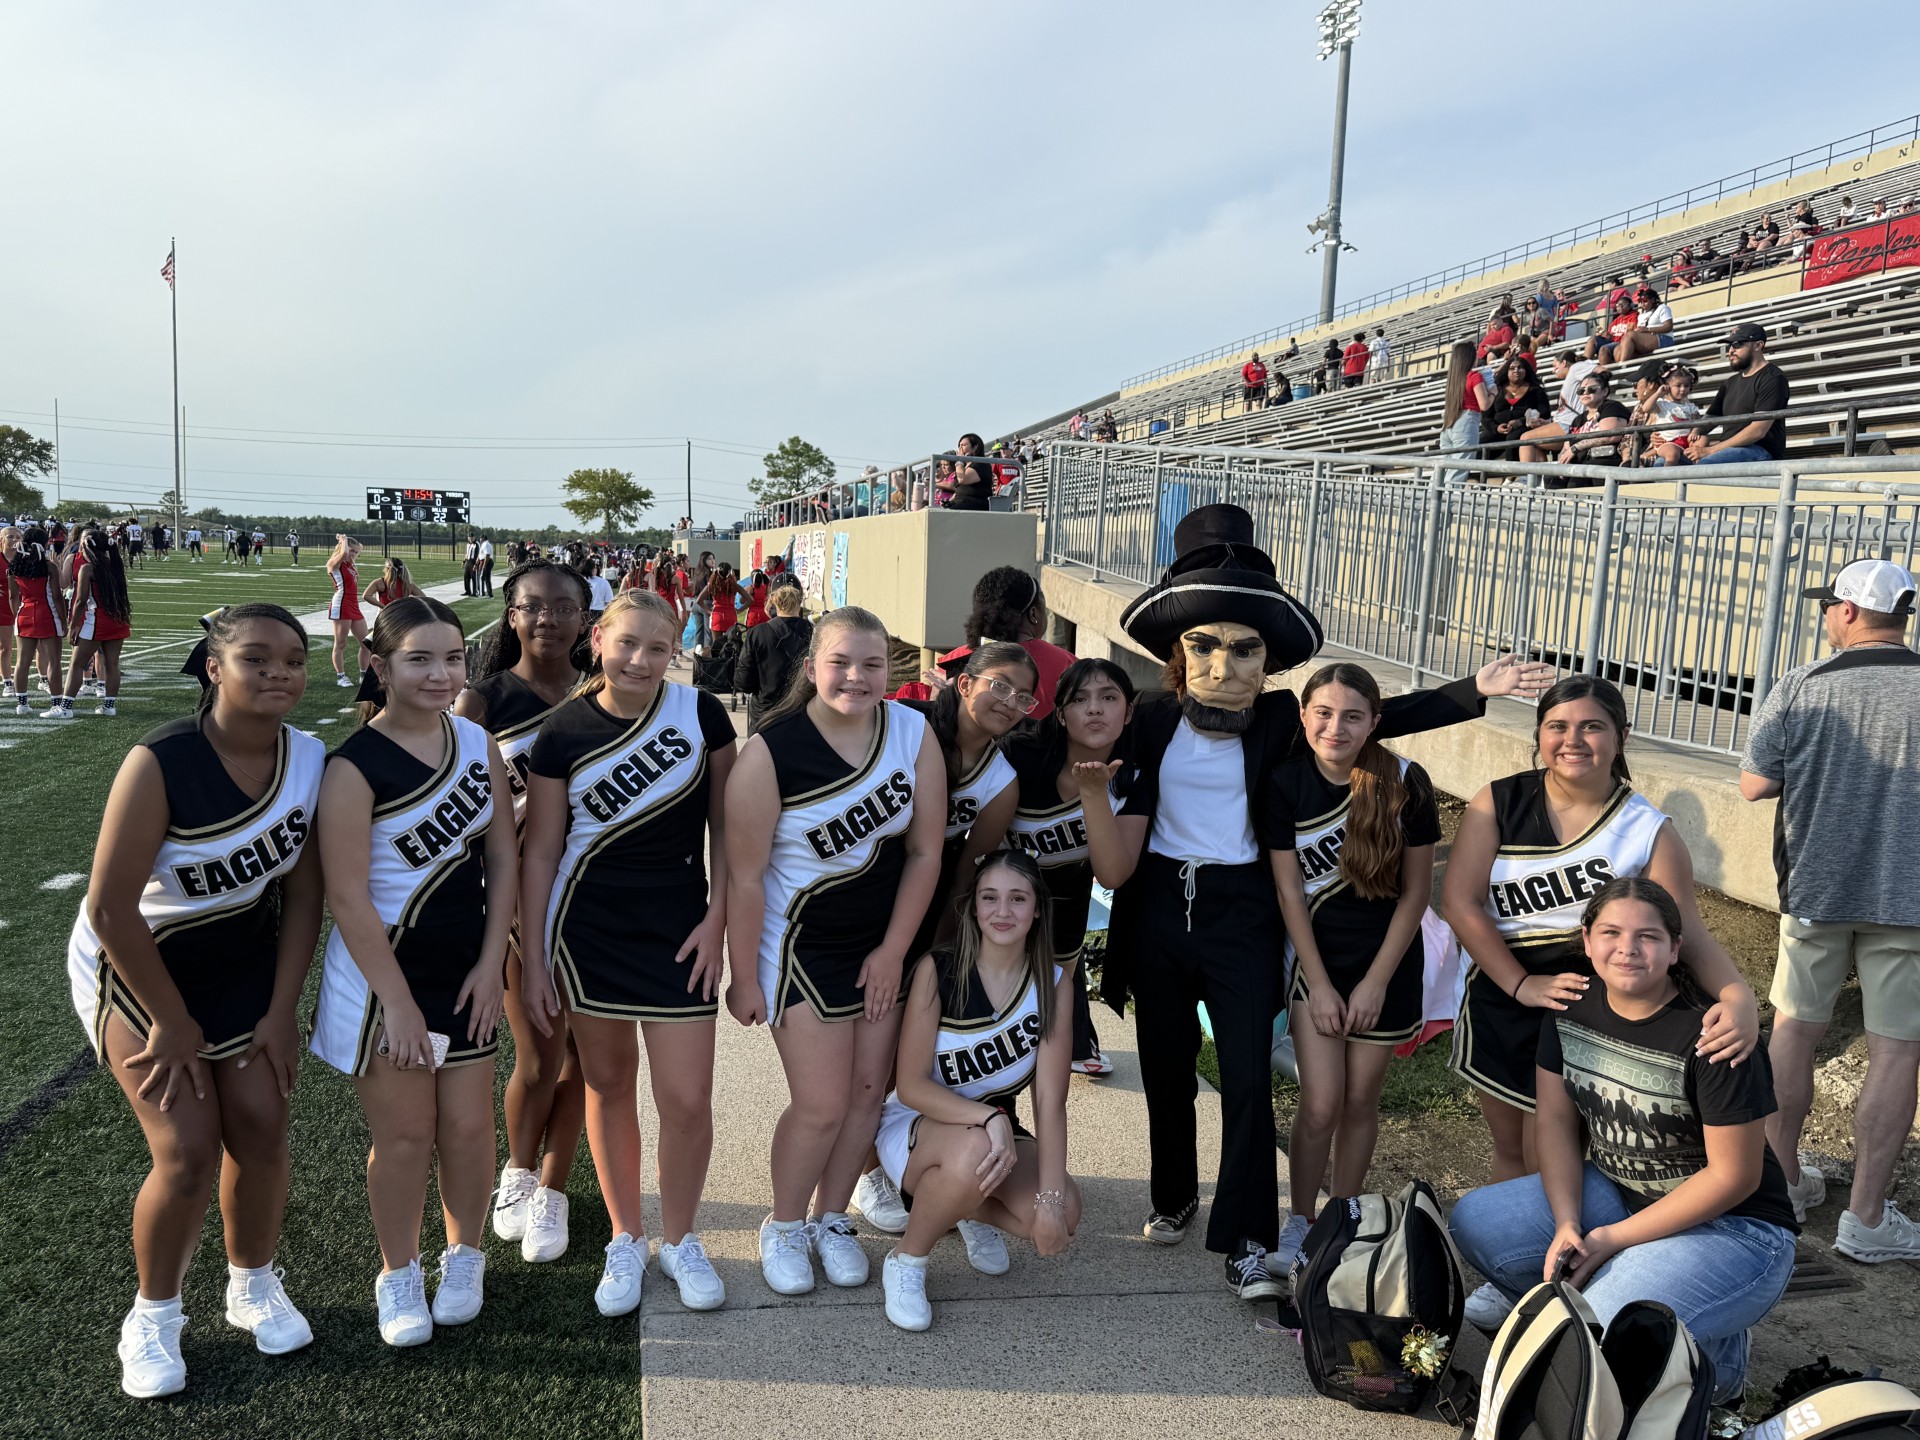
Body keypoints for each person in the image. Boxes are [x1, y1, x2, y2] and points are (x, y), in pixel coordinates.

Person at [1093, 504, 1550, 1299]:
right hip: (1161, 902)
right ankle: (1173, 1195)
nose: (1224, 664)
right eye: (1203, 645)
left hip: (1245, 906)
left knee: (1241, 1072)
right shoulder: (1151, 718)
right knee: (1166, 1068)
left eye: (1245, 649)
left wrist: (1476, 688)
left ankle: (1243, 1237)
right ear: (1176, 651)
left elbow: (1378, 717)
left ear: (1267, 661)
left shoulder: (1280, 717)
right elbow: (1076, 743)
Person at [1440, 675, 1761, 1330]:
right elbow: (1461, 901)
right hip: (1509, 999)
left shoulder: (1647, 829)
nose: (1573, 740)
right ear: (1539, 736)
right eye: (1558, 726)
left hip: (1597, 1012)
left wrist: (1738, 995)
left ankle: (1588, 1265)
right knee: (1513, 1150)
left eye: (1592, 726)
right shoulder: (1496, 802)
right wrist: (1519, 983)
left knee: (1571, 1149)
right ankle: (1519, 1275)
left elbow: (1686, 934)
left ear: (1620, 738)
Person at [67, 603, 325, 1398]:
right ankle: (152, 1315)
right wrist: (171, 1020)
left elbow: (306, 894)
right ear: (214, 667)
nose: (277, 671)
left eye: (292, 657)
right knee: (184, 1149)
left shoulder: (309, 757)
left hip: (244, 960)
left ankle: (251, 1282)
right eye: (256, 658)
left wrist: (283, 1009)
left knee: (261, 1124)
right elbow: (112, 909)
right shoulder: (162, 759)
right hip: (141, 965)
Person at [1449, 878, 1797, 1403]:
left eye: (1648, 937)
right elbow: (1556, 1124)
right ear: (1586, 940)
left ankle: (1718, 1363)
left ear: (1675, 948)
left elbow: (1735, 1177)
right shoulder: (1571, 1006)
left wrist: (1613, 1239)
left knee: (1603, 1322)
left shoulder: (1715, 1034)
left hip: (1737, 1229)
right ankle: (1637, 1300)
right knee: (1477, 1221)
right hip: (1621, 1194)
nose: (1628, 949)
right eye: (1610, 932)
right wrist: (1568, 1220)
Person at [517, 591, 739, 1314]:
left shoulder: (702, 715)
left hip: (681, 932)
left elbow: (730, 834)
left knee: (687, 1099)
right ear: (599, 638)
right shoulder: (562, 732)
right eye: (628, 643)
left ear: (676, 649)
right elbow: (543, 850)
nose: (641, 660)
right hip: (590, 932)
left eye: (658, 647)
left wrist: (719, 922)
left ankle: (680, 1239)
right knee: (608, 1086)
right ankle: (625, 1236)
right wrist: (541, 952)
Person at [311, 596, 517, 1347]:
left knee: (467, 1128)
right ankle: (398, 1271)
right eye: (419, 659)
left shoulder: (474, 741)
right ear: (379, 664)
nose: (440, 674)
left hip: (466, 968)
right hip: (384, 979)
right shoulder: (353, 766)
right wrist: (394, 1002)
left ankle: (465, 1257)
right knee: (404, 1137)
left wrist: (494, 963)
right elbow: (347, 896)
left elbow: (502, 855)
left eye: (454, 658)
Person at [724, 605, 945, 1298]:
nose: (856, 676)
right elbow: (744, 876)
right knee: (820, 1103)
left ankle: (830, 1220)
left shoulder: (912, 731)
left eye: (873, 664)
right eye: (841, 662)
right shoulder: (772, 750)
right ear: (812, 667)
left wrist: (892, 951)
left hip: (882, 944)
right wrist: (742, 975)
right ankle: (783, 1223)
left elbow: (926, 850)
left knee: (864, 1097)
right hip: (800, 948)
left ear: (891, 670)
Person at [1739, 559, 1920, 1262]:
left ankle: (1783, 1183)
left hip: (1815, 890)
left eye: (1829, 605)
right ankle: (1868, 1218)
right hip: (1907, 899)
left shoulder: (1803, 686)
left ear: (1847, 610)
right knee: (1896, 1047)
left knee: (1794, 1030)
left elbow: (1755, 785)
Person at [851, 643, 1032, 1239]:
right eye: (997, 685)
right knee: (849, 1051)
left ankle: (891, 1165)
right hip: (854, 895)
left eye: (1022, 695)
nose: (1007, 701)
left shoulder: (1001, 782)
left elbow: (965, 877)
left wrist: (944, 956)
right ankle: (862, 1170)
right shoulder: (907, 725)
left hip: (920, 912)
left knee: (892, 1051)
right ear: (964, 681)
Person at [1268, 664, 1441, 1270]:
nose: (1335, 727)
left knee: (1360, 1101)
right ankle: (1298, 1220)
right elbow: (1291, 893)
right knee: (1320, 1102)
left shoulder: (1406, 784)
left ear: (1374, 722)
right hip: (1317, 964)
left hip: (1387, 965)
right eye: (1323, 712)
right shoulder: (1285, 782)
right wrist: (1319, 985)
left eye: (1352, 715)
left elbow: (1417, 894)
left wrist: (1375, 981)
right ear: (1303, 715)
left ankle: (1340, 1218)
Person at [451, 560, 592, 1267]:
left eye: (563, 606)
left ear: (584, 616)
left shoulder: (605, 691)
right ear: (510, 616)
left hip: (597, 898)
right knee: (538, 1056)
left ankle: (553, 1190)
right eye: (532, 607)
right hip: (514, 904)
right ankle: (517, 1169)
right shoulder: (482, 701)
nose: (548, 618)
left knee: (587, 1057)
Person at [873, 851, 1080, 1330]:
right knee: (972, 1150)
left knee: (1064, 1212)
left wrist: (1049, 1201)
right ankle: (907, 1259)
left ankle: (959, 1205)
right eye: (989, 898)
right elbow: (911, 1084)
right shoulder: (938, 969)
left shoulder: (1052, 984)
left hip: (995, 1130)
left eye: (1017, 898)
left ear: (1037, 910)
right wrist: (989, 1119)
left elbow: (1050, 1101)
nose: (1002, 911)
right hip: (920, 1122)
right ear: (973, 907)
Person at [1010, 658, 1138, 1079]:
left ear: (1129, 711)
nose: (1095, 708)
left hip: (1063, 929)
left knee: (1051, 1064)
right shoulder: (1020, 756)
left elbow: (1113, 874)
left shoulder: (1135, 779)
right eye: (1080, 699)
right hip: (994, 918)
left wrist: (1094, 794)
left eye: (1108, 697)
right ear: (1061, 715)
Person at [52, 526, 132, 719]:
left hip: (97, 620)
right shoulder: (116, 565)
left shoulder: (88, 568)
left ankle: (65, 708)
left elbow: (80, 601)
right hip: (118, 619)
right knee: (112, 664)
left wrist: (73, 626)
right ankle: (109, 706)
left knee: (77, 664)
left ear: (87, 545)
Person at [1692, 323, 1790, 465]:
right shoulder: (1729, 383)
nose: (1730, 351)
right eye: (1729, 346)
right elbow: (1711, 418)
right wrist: (1691, 435)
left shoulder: (1773, 378)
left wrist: (1711, 450)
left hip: (1760, 451)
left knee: (1706, 463)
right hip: (1728, 449)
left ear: (1758, 346)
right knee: (1664, 463)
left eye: (1737, 344)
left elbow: (1758, 431)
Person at [733, 582, 812, 733]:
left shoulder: (757, 633)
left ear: (774, 603)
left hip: (765, 714)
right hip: (803, 712)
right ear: (799, 603)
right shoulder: (814, 632)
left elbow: (743, 682)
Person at [8, 524, 65, 712]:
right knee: (54, 660)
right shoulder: (49, 566)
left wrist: (18, 614)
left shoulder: (15, 566)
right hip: (47, 614)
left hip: (24, 613)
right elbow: (56, 596)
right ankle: (56, 703)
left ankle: (22, 704)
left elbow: (13, 597)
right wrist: (64, 621)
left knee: (22, 662)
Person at [1554, 370, 1631, 477]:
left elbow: (1610, 436)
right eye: (1581, 390)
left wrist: (1575, 448)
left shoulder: (1611, 407)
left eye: (1592, 389)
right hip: (1582, 463)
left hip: (1605, 460)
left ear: (1604, 391)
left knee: (1579, 480)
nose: (1585, 393)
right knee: (1552, 476)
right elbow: (1566, 446)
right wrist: (1561, 464)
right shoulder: (1578, 419)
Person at [1482, 354, 1554, 465]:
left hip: (1524, 428)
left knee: (1513, 438)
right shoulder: (1497, 390)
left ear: (1526, 371)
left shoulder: (1536, 390)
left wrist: (1521, 421)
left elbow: (1544, 413)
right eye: (1512, 368)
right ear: (1506, 371)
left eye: (1520, 367)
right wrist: (1496, 428)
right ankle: (1476, 476)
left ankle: (1514, 475)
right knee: (1481, 443)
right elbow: (1486, 416)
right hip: (1499, 429)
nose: (1516, 370)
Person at [1437, 341, 1492, 485]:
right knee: (1458, 471)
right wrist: (1492, 393)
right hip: (1466, 421)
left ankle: (1431, 501)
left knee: (1443, 470)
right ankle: (1447, 504)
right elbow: (1484, 404)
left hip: (1450, 422)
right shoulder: (1474, 376)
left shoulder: (1453, 378)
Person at [326, 535, 370, 689]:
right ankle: (341, 676)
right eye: (352, 551)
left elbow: (358, 549)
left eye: (355, 552)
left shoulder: (351, 564)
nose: (353, 554)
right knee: (341, 644)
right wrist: (343, 540)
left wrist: (352, 546)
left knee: (366, 644)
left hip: (354, 605)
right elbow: (344, 554)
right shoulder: (334, 563)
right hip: (342, 604)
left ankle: (364, 675)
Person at [1641, 361, 1704, 467]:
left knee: (1703, 440)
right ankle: (1667, 477)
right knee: (1672, 454)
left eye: (1686, 385)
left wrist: (1695, 432)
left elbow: (1697, 422)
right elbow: (1645, 408)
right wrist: (1657, 393)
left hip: (1687, 441)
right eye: (1678, 386)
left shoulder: (1690, 406)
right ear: (1667, 386)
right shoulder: (1662, 403)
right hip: (1667, 442)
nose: (1683, 389)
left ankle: (1697, 468)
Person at [1612, 285, 1675, 366]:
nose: (1642, 303)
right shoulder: (1641, 315)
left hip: (1663, 338)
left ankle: (1622, 366)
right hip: (1646, 340)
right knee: (1618, 348)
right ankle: (1620, 369)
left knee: (1629, 335)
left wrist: (1648, 329)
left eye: (1645, 300)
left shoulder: (1662, 308)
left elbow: (1668, 327)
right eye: (1640, 301)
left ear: (1652, 300)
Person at [1583, 294, 1639, 364]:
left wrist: (1613, 337)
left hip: (1621, 343)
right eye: (1618, 305)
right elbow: (1610, 334)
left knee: (1603, 349)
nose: (1619, 306)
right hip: (1612, 341)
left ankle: (1604, 373)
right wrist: (1605, 334)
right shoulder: (1616, 320)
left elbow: (1631, 334)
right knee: (1593, 339)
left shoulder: (1634, 317)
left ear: (1630, 306)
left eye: (1622, 304)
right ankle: (1584, 364)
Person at [946, 434, 995, 511]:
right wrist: (949, 502)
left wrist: (959, 460)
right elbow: (959, 489)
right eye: (959, 446)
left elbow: (962, 479)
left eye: (964, 445)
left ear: (975, 447)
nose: (960, 449)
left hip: (975, 504)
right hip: (961, 503)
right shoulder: (963, 466)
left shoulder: (981, 464)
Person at [0, 526, 17, 700]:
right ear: (2, 539)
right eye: (10, 536)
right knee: (5, 647)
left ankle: (43, 678)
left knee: (35, 647)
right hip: (2, 606)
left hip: (23, 605)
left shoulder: (24, 558)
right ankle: (7, 681)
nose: (14, 540)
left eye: (17, 537)